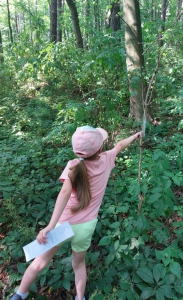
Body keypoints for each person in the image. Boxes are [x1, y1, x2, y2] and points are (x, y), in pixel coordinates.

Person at [10, 125, 143, 300]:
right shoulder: (106, 159)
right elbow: (119, 145)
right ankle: (80, 297)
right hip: (86, 227)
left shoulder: (73, 166)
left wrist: (50, 225)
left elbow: (64, 193)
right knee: (79, 265)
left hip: (63, 225)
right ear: (100, 148)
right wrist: (135, 136)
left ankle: (20, 294)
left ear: (76, 151)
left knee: (40, 262)